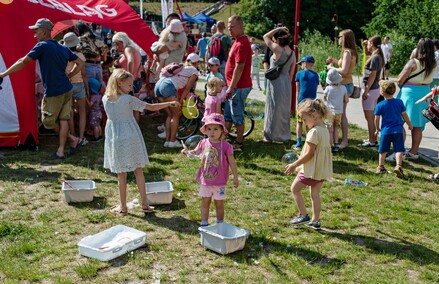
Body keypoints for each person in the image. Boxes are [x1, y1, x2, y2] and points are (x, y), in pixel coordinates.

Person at [0, 18, 84, 159]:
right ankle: (63, 149)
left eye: (36, 31)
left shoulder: (42, 46)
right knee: (63, 119)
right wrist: (70, 75)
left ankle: (69, 141)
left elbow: (23, 61)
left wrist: (3, 73)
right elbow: (80, 62)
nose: (34, 35)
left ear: (44, 31)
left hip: (53, 91)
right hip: (67, 88)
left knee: (48, 122)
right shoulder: (62, 47)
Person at [103, 69, 180, 215]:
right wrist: (170, 103)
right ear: (120, 83)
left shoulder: (105, 98)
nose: (131, 88)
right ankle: (144, 204)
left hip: (114, 136)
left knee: (121, 174)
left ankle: (123, 207)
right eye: (130, 85)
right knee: (138, 170)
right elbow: (150, 107)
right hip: (130, 134)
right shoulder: (127, 99)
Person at [181, 113, 239, 226]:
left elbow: (232, 162)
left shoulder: (226, 146)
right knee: (205, 203)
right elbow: (195, 152)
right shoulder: (203, 143)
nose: (212, 132)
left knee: (219, 204)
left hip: (219, 182)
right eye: (209, 129)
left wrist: (235, 177)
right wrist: (187, 152)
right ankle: (204, 224)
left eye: (216, 129)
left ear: (222, 130)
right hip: (206, 181)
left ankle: (220, 224)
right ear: (205, 130)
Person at [385, 38, 437, 162]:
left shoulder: (413, 62)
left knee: (399, 122)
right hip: (425, 93)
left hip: (409, 94)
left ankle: (399, 152)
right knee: (417, 125)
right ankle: (413, 152)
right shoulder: (433, 63)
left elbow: (399, 79)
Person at [285, 99, 333, 229]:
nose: (305, 123)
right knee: (315, 195)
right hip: (321, 170)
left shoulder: (314, 132)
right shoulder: (324, 129)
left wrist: (295, 164)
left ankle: (303, 215)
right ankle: (315, 220)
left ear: (314, 115)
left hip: (310, 170)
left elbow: (309, 154)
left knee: (295, 189)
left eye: (305, 120)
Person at [154, 53, 202, 148]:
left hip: (159, 85)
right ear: (196, 62)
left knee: (170, 115)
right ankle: (173, 141)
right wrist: (180, 102)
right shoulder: (194, 71)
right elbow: (187, 88)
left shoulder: (181, 67)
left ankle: (167, 141)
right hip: (168, 86)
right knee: (175, 116)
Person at [260, 26, 295, 143]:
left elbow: (265, 36)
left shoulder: (277, 49)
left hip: (275, 82)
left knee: (272, 107)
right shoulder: (292, 53)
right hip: (286, 82)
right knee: (284, 109)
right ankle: (284, 135)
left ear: (277, 39)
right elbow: (291, 72)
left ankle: (269, 135)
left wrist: (279, 28)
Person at [224, 15, 253, 152]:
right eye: (228, 26)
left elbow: (239, 67)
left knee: (237, 115)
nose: (229, 28)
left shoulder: (241, 44)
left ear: (240, 27)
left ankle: (239, 143)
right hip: (234, 86)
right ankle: (222, 138)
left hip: (238, 87)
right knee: (229, 114)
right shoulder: (237, 41)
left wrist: (231, 87)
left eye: (232, 26)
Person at [327, 29, 358, 149]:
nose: (339, 39)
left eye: (340, 37)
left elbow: (344, 71)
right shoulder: (351, 52)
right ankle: (336, 138)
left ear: (345, 39)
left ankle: (343, 140)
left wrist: (331, 68)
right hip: (347, 84)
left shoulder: (347, 52)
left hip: (344, 84)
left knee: (341, 114)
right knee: (340, 113)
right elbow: (346, 66)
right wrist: (335, 61)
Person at [374, 80, 413, 178]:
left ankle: (380, 167)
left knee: (383, 150)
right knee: (399, 149)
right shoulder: (399, 102)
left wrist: (377, 129)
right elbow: (404, 115)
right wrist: (409, 125)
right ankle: (398, 166)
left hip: (385, 131)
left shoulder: (380, 105)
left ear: (382, 92)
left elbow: (376, 118)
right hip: (398, 131)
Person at [64, 32, 89, 147]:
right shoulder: (80, 56)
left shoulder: (63, 54)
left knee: (70, 113)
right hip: (79, 84)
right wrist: (87, 89)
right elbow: (83, 74)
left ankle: (73, 136)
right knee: (82, 112)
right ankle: (82, 137)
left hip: (67, 85)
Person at [359, 36, 384, 148]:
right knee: (372, 116)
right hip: (375, 90)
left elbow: (373, 75)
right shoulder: (377, 56)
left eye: (368, 43)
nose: (367, 44)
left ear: (372, 43)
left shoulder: (375, 58)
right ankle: (372, 138)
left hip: (371, 90)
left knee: (369, 117)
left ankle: (372, 141)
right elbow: (367, 55)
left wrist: (366, 91)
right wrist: (364, 46)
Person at [112, 32, 142, 122]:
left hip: (129, 82)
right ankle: (135, 124)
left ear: (122, 41)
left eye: (117, 43)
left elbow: (130, 61)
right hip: (136, 80)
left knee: (126, 105)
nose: (117, 46)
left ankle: (128, 124)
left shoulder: (128, 49)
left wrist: (129, 77)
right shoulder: (134, 49)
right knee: (135, 105)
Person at [293, 55, 319, 150]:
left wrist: (297, 103)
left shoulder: (299, 74)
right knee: (310, 123)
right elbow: (315, 90)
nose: (301, 66)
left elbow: (297, 90)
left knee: (299, 123)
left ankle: (298, 142)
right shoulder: (316, 75)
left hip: (302, 102)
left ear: (305, 63)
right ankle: (309, 142)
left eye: (301, 64)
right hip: (312, 102)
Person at [75, 20, 107, 85]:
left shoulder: (79, 40)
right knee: (100, 88)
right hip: (98, 66)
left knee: (91, 88)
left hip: (88, 66)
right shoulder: (97, 38)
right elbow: (104, 58)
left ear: (78, 30)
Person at [323, 69, 348, 152]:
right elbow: (346, 99)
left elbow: (324, 98)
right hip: (339, 112)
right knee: (336, 127)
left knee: (329, 129)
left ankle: (329, 145)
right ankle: (336, 144)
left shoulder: (328, 88)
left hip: (330, 111)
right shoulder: (343, 88)